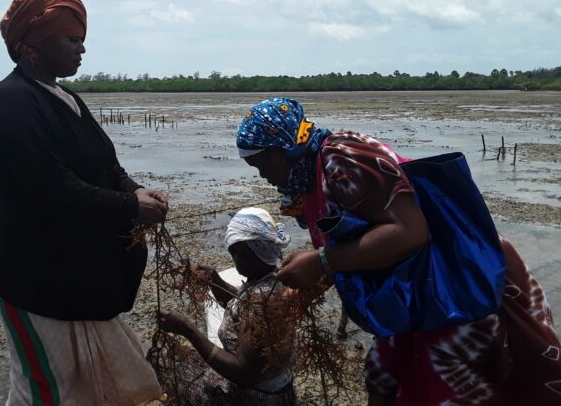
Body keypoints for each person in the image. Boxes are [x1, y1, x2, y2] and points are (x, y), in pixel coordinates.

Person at [236, 97, 561, 406]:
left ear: (282, 150)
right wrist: (300, 293)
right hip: (415, 292)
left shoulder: (341, 158)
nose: (262, 175)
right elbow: (356, 244)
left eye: (260, 164)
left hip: (457, 282)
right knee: (386, 377)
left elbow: (409, 231)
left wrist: (322, 261)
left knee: (474, 387)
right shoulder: (309, 179)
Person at [0, 0, 168, 405]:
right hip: (34, 276)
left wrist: (136, 190)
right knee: (45, 388)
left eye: (82, 39)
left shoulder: (66, 98)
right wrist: (130, 207)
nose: (82, 49)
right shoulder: (10, 104)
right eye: (72, 39)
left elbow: (105, 166)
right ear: (32, 46)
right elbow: (52, 191)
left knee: (86, 387)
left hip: (73, 274)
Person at [157, 207, 296, 405]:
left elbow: (242, 373)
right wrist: (214, 280)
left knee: (165, 362)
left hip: (252, 397)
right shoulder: (271, 281)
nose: (233, 256)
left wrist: (188, 329)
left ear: (248, 252)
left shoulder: (261, 304)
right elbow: (240, 304)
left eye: (235, 252)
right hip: (273, 389)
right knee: (177, 356)